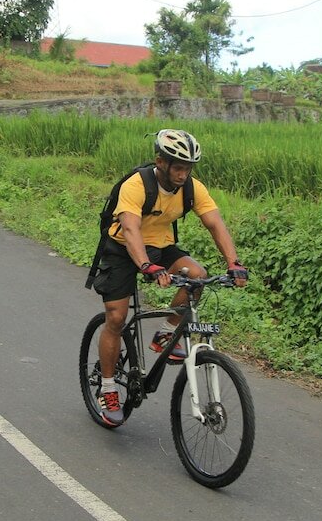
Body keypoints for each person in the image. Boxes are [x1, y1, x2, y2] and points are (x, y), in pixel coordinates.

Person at [90, 128, 248, 426]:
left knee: (197, 277)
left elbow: (215, 223)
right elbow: (130, 228)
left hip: (161, 247)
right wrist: (146, 266)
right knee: (116, 318)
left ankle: (167, 332)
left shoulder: (192, 188)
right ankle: (108, 387)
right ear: (160, 162)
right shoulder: (137, 185)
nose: (183, 174)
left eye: (188, 168)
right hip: (123, 249)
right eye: (178, 166)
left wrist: (234, 263)